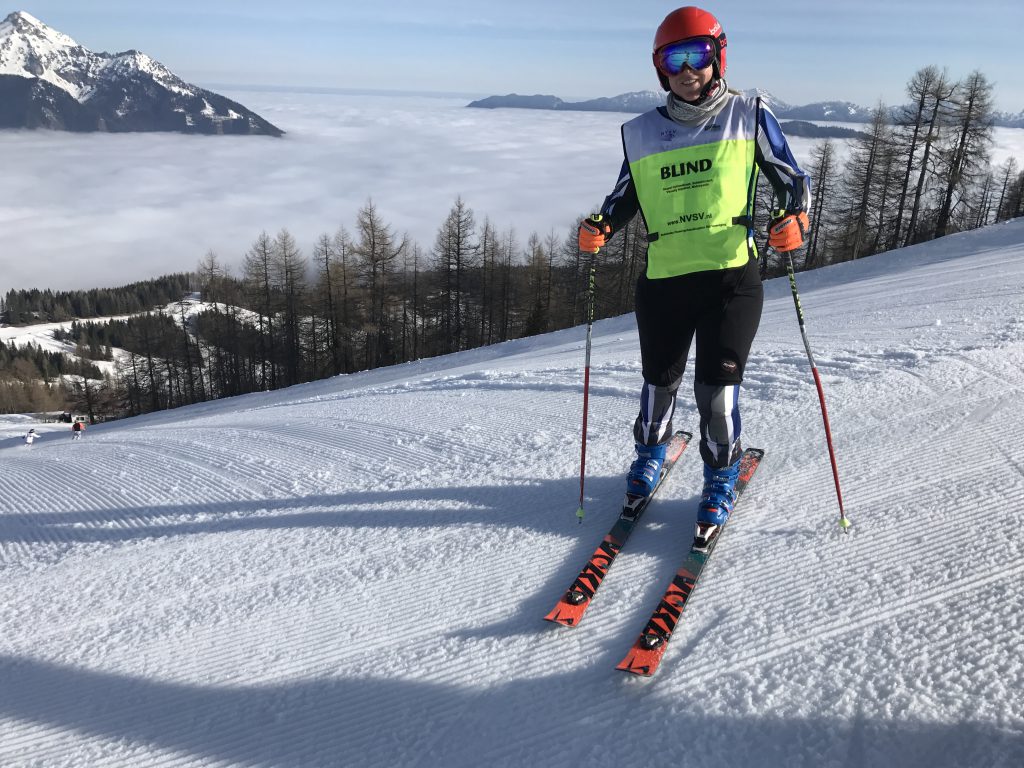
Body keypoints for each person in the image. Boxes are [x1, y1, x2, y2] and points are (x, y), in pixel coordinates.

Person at [578, 6, 811, 548]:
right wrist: (600, 226)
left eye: (698, 56)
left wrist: (795, 219)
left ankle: (720, 474)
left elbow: (791, 181)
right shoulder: (640, 133)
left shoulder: (748, 115)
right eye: (674, 59)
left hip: (730, 280)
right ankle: (649, 455)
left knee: (716, 389)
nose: (688, 70)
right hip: (664, 282)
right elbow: (623, 198)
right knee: (658, 382)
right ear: (661, 68)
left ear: (717, 56)